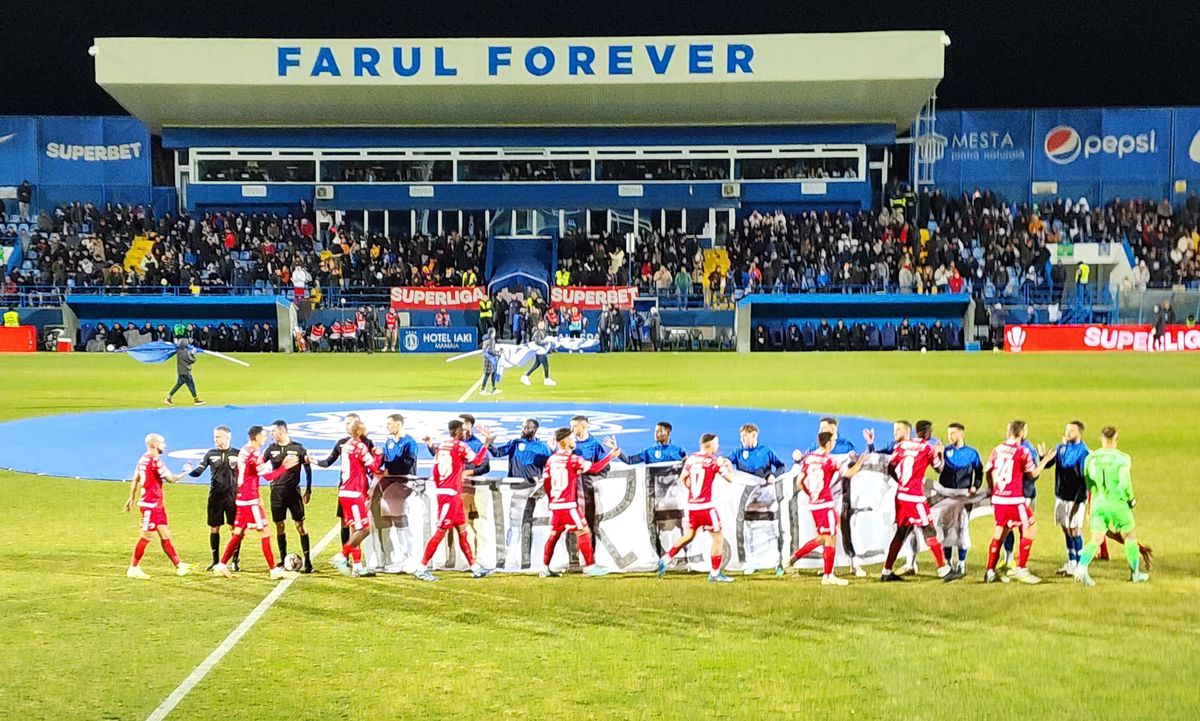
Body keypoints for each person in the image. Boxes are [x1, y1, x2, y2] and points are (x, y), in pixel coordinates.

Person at [880, 420, 963, 582]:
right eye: (930, 431)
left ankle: (886, 571)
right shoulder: (927, 448)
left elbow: (890, 466)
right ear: (926, 432)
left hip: (901, 496)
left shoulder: (903, 446)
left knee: (901, 533)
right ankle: (944, 570)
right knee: (929, 530)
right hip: (915, 498)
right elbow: (939, 468)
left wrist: (901, 482)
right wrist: (940, 453)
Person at [212, 426, 297, 580]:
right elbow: (269, 477)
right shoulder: (254, 454)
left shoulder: (244, 450)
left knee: (238, 533)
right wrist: (284, 467)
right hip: (250, 501)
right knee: (265, 533)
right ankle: (273, 570)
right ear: (256, 437)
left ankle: (221, 565)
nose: (265, 439)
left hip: (242, 498)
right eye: (263, 436)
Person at [656, 433, 741, 583]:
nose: (718, 446)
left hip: (692, 506)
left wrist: (694, 491)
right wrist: (727, 467)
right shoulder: (713, 462)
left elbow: (682, 479)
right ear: (710, 444)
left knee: (689, 536)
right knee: (718, 538)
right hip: (706, 507)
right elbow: (730, 479)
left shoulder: (691, 459)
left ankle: (666, 558)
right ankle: (715, 573)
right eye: (716, 443)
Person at [784, 431, 866, 585]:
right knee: (829, 538)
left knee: (824, 537)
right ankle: (828, 576)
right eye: (833, 441)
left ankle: (794, 558)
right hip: (825, 504)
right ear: (829, 443)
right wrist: (861, 461)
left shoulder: (808, 459)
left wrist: (811, 494)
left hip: (815, 504)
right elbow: (848, 474)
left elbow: (799, 482)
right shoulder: (830, 460)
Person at [415, 419, 493, 581]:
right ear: (456, 431)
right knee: (440, 532)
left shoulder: (442, 446)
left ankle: (474, 567)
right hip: (450, 496)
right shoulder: (461, 446)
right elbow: (477, 461)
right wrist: (486, 444)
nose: (464, 432)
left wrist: (440, 487)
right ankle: (421, 568)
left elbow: (435, 471)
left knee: (462, 532)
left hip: (450, 494)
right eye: (462, 430)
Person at [1074, 426, 1150, 586]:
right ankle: (1135, 574)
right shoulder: (1123, 459)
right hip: (1117, 504)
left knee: (1096, 539)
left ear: (1101, 439)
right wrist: (1131, 499)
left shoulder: (1091, 458)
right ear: (1116, 439)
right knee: (1130, 537)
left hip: (1098, 503)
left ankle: (1081, 568)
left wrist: (1094, 496)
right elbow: (1124, 482)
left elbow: (1087, 480)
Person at [539, 428, 620, 577]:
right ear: (564, 442)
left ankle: (544, 567)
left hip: (556, 506)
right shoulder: (573, 460)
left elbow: (546, 482)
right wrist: (611, 456)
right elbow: (595, 469)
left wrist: (552, 500)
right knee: (584, 531)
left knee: (554, 535)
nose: (574, 440)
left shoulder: (551, 460)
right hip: (569, 506)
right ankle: (590, 566)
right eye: (572, 439)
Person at [982, 421, 1053, 584]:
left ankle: (990, 572)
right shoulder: (1022, 451)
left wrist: (992, 489)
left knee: (1000, 533)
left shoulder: (997, 449)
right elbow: (1032, 474)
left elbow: (988, 471)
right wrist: (1045, 461)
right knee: (1031, 529)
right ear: (1022, 433)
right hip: (1015, 500)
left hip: (999, 499)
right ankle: (1021, 569)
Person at [124, 433, 191, 579]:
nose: (164, 445)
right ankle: (133, 568)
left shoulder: (143, 459)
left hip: (156, 505)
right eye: (162, 443)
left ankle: (178, 565)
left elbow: (135, 479)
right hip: (151, 505)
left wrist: (131, 498)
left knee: (165, 534)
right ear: (154, 444)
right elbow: (171, 479)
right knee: (146, 536)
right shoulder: (155, 461)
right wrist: (185, 472)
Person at [724, 423, 786, 575]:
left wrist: (774, 475)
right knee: (749, 529)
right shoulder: (739, 452)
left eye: (745, 436)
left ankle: (778, 562)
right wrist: (725, 463)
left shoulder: (766, 451)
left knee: (773, 527)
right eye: (741, 437)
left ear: (754, 435)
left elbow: (781, 466)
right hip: (748, 499)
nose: (742, 439)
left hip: (766, 496)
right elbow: (726, 461)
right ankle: (751, 562)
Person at [311, 413, 375, 548]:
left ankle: (355, 554)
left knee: (361, 524)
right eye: (346, 423)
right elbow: (328, 462)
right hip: (347, 486)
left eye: (350, 423)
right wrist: (314, 460)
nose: (347, 426)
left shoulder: (366, 443)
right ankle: (346, 555)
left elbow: (371, 467)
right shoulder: (341, 443)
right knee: (346, 522)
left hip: (361, 487)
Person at [330, 419, 383, 577]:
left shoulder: (346, 445)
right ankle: (342, 555)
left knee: (355, 529)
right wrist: (378, 455)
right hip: (355, 493)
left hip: (345, 492)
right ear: (359, 431)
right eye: (364, 428)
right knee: (364, 529)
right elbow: (374, 467)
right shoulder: (360, 447)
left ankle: (357, 566)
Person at [931, 422, 983, 574]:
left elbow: (979, 472)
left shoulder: (972, 453)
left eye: (953, 433)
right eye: (948, 434)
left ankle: (961, 563)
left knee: (962, 529)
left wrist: (975, 486)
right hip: (945, 496)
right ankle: (948, 562)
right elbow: (937, 468)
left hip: (963, 497)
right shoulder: (945, 451)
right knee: (945, 529)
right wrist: (938, 454)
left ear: (961, 433)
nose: (950, 436)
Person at [263, 420, 314, 573]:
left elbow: (307, 468)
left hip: (294, 493)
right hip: (276, 494)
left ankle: (308, 561)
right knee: (279, 526)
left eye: (273, 431)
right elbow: (260, 466)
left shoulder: (298, 448)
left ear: (282, 431)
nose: (271, 434)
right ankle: (283, 558)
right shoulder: (271, 449)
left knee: (300, 526)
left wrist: (308, 489)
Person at [187, 425, 241, 571]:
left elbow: (247, 472)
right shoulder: (210, 454)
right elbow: (199, 470)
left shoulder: (238, 453)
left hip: (233, 497)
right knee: (214, 528)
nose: (215, 439)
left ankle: (235, 561)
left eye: (218, 436)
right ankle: (215, 561)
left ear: (227, 437)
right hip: (215, 497)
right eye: (214, 437)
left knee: (234, 528)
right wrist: (188, 472)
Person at [376, 413, 420, 570]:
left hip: (404, 483)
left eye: (390, 423)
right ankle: (402, 556)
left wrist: (390, 469)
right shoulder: (388, 443)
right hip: (391, 485)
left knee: (401, 518)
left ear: (398, 424)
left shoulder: (410, 442)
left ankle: (409, 555)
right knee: (395, 519)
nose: (387, 426)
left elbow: (408, 463)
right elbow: (383, 463)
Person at [1044, 421, 1090, 576]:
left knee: (1075, 530)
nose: (1067, 433)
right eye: (1067, 430)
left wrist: (1078, 501)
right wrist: (1043, 457)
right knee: (1065, 528)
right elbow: (1048, 464)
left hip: (1074, 498)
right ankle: (1072, 563)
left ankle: (1081, 566)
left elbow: (1084, 480)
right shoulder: (1061, 448)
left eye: (1071, 430)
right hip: (1061, 496)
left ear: (1079, 433)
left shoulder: (1083, 452)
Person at [164, 325, 205, 406]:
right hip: (185, 371)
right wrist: (192, 353)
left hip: (181, 371)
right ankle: (196, 399)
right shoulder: (186, 352)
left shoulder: (179, 350)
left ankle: (168, 398)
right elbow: (192, 360)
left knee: (179, 384)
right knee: (191, 385)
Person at [520, 320, 556, 386]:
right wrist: (546, 342)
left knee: (536, 364)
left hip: (541, 350)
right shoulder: (538, 332)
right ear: (538, 324)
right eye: (540, 324)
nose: (542, 325)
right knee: (545, 364)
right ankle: (547, 379)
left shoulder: (542, 331)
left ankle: (525, 376)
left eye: (543, 324)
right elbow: (538, 342)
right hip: (540, 351)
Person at [480, 328, 501, 396]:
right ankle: (483, 389)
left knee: (492, 373)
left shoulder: (485, 340)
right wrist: (497, 354)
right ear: (493, 333)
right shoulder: (491, 340)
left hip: (487, 359)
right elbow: (490, 351)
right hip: (490, 359)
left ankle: (493, 388)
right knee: (488, 374)